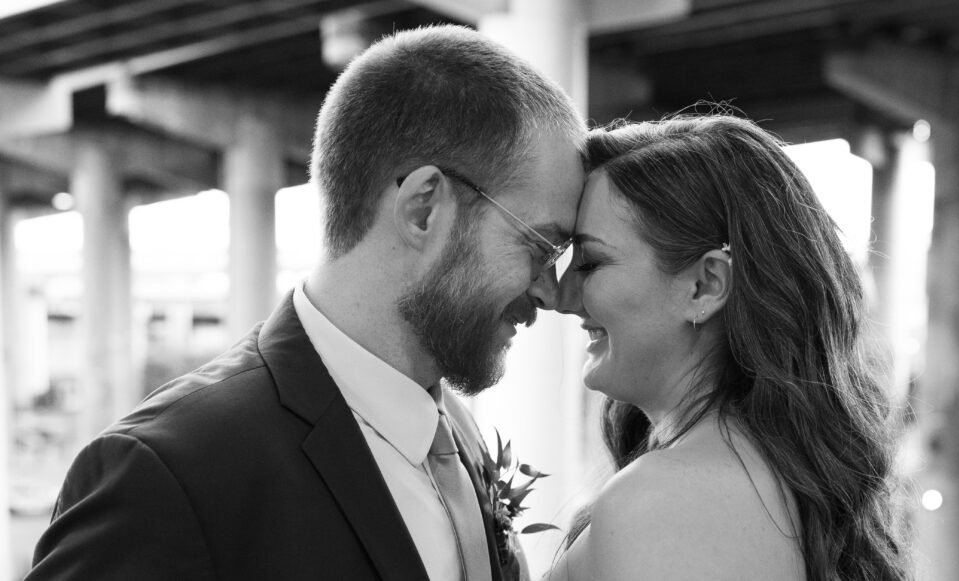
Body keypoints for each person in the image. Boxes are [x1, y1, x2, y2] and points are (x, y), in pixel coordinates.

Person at [27, 25, 585, 581]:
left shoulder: (452, 431)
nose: (551, 292)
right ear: (424, 209)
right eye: (540, 245)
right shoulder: (165, 476)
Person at [547, 115, 910, 581]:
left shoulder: (666, 501)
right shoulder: (776, 480)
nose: (559, 296)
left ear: (705, 285)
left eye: (591, 262)